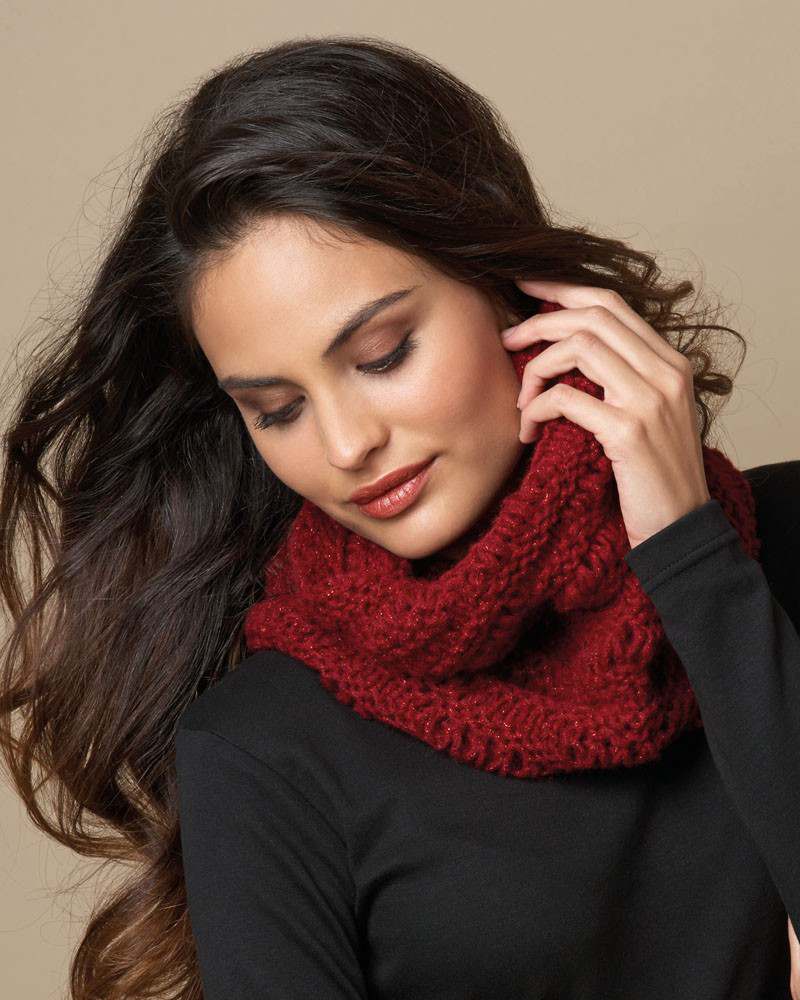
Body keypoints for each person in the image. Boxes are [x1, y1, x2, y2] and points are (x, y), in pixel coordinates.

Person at [1, 34, 798, 1000]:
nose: (346, 445)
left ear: (506, 284)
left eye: (382, 355)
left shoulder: (775, 552)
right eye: (276, 410)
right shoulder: (264, 747)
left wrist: (690, 558)